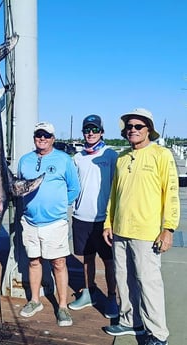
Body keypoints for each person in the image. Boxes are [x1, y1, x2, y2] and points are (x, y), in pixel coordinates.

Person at [103, 108, 180, 345]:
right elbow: (114, 195)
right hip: (120, 231)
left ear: (149, 129)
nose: (132, 130)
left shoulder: (161, 154)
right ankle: (130, 320)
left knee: (149, 283)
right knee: (123, 280)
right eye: (129, 126)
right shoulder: (122, 157)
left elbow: (172, 193)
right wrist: (108, 223)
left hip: (147, 233)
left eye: (138, 126)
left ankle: (157, 334)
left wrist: (168, 228)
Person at [18, 122, 80, 327]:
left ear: (53, 138)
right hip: (29, 221)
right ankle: (35, 300)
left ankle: (62, 306)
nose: (42, 138)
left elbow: (74, 188)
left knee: (58, 263)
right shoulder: (25, 160)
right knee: (34, 261)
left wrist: (60, 206)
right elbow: (18, 186)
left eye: (46, 135)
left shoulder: (64, 160)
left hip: (55, 223)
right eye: (38, 134)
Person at [68, 115, 118, 318]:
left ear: (102, 132)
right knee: (87, 258)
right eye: (87, 130)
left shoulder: (111, 155)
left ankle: (112, 297)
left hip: (103, 220)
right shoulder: (77, 158)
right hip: (81, 217)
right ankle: (89, 293)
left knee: (109, 261)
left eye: (94, 130)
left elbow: (118, 188)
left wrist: (113, 219)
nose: (90, 133)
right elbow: (72, 186)